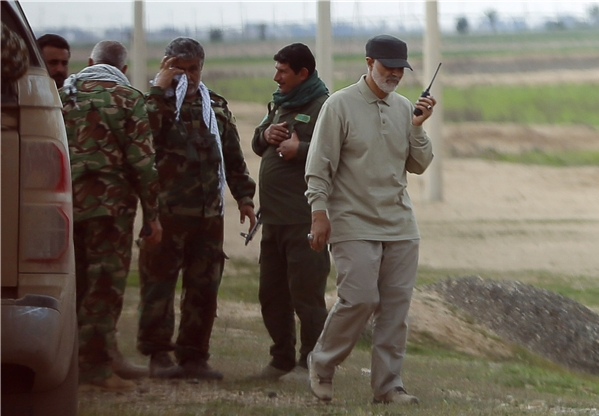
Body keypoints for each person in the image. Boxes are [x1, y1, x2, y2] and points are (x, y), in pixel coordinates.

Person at [304, 34, 436, 405]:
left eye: (400, 68)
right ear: (368, 63)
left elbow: (420, 164)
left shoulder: (404, 107)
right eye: (387, 66)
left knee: (395, 310)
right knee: (359, 299)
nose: (394, 74)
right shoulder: (339, 105)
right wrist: (318, 213)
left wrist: (417, 126)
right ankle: (322, 365)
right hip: (351, 221)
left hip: (400, 224)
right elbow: (319, 166)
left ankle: (388, 386)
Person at [137, 37, 257, 380]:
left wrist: (245, 198)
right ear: (166, 66)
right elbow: (144, 138)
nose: (187, 77)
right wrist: (159, 90)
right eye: (179, 69)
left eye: (193, 69)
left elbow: (232, 156)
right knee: (159, 285)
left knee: (204, 287)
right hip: (167, 212)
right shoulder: (153, 104)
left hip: (208, 214)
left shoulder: (214, 106)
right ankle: (158, 354)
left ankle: (194, 356)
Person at [60, 40, 162, 391]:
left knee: (70, 284)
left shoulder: (64, 95)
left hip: (62, 206)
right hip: (110, 210)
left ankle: (68, 363)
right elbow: (142, 162)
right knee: (103, 287)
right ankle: (95, 368)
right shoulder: (129, 98)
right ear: (124, 69)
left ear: (90, 61)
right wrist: (152, 215)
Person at [250, 43, 330, 381]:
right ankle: (280, 359)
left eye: (283, 71)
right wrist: (266, 134)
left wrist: (302, 149)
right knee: (271, 294)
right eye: (276, 70)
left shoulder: (325, 107)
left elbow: (340, 153)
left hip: (304, 219)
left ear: (303, 73)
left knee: (306, 297)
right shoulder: (280, 103)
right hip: (273, 220)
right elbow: (257, 142)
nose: (276, 77)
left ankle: (311, 363)